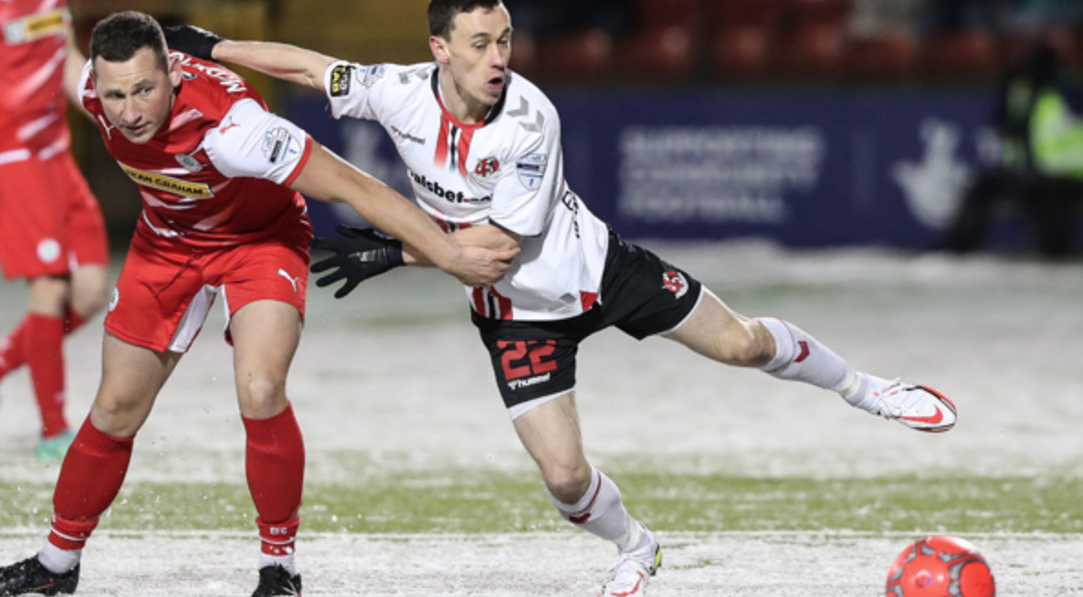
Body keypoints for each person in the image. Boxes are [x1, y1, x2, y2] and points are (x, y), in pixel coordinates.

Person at [166, 2, 958, 595]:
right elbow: (310, 67)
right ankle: (636, 546)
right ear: (439, 49)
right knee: (567, 479)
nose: (498, 58)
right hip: (517, 316)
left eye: (505, 39)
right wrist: (208, 46)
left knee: (746, 343)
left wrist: (391, 251)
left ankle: (868, 388)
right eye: (480, 43)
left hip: (597, 271)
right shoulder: (395, 91)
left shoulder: (529, 118)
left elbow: (494, 249)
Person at [0, 10, 514, 597]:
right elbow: (52, 60)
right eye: (116, 95)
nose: (130, 111)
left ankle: (280, 570)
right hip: (167, 241)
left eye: (145, 91)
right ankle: (55, 565)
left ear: (173, 73)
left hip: (260, 240)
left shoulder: (237, 129)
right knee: (115, 407)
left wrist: (450, 256)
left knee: (260, 387)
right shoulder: (96, 89)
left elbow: (359, 187)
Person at [0, 0, 110, 460]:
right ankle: (54, 432)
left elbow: (67, 61)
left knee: (91, 291)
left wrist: (113, 113)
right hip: (8, 158)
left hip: (55, 153)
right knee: (50, 287)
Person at [942, 42, 1083, 256]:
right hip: (1032, 173)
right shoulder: (1023, 95)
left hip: (1071, 177)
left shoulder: (1068, 92)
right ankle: (957, 249)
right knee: (984, 184)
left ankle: (1054, 253)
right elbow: (1002, 125)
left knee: (1045, 191)